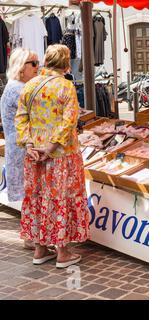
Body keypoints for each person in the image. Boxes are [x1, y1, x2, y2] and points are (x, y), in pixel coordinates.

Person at [15, 44, 90, 268]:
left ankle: (39, 249)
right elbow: (69, 122)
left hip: (34, 155)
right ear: (66, 63)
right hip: (61, 155)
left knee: (38, 198)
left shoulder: (30, 86)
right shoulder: (66, 87)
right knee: (62, 198)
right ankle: (63, 253)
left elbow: (20, 118)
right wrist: (51, 146)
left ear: (46, 62)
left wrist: (28, 143)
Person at [0, 48, 39, 250]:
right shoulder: (18, 89)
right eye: (33, 63)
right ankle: (31, 236)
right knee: (30, 193)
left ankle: (31, 235)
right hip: (22, 149)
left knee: (29, 194)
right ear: (20, 67)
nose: (37, 67)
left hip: (21, 147)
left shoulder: (18, 86)